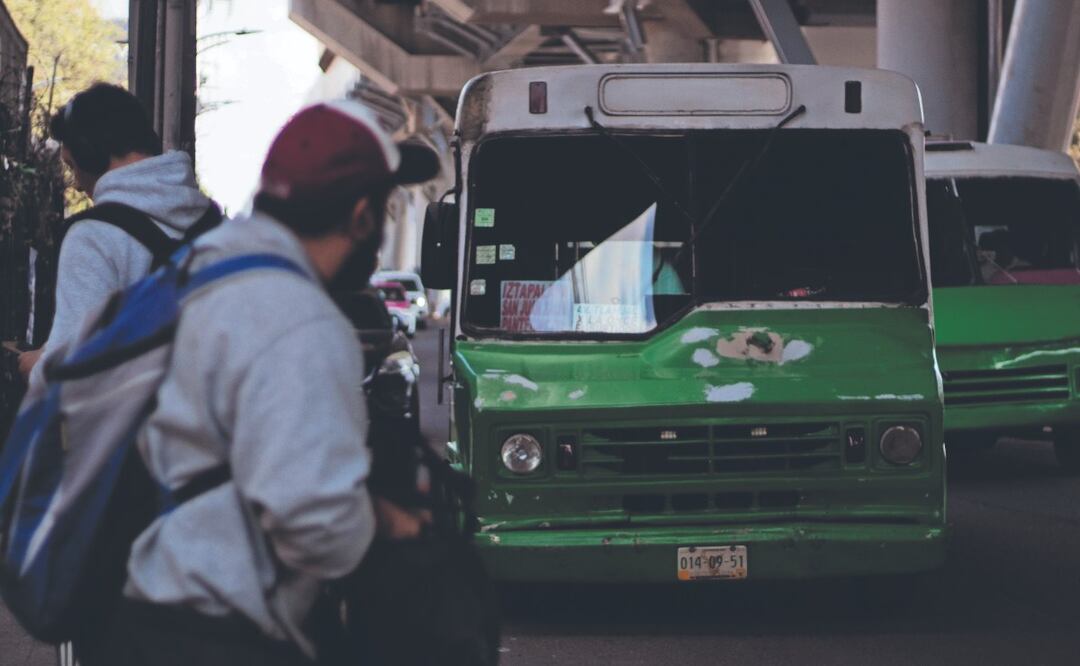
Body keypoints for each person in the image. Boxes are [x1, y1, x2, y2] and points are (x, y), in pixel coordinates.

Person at [80, 101, 439, 666]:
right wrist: (394, 523)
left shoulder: (207, 268)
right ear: (363, 216)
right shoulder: (302, 318)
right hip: (221, 634)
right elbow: (315, 523)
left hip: (147, 609)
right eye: (389, 208)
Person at [18, 83, 215, 381]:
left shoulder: (92, 236)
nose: (75, 184)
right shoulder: (210, 222)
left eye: (72, 167)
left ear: (90, 152)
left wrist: (35, 366)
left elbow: (72, 376)